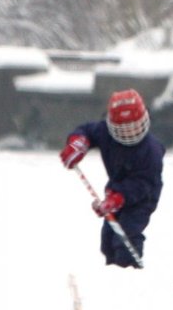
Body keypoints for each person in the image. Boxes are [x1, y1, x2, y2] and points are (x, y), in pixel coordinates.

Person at [59, 89, 165, 268]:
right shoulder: (105, 132)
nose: (130, 134)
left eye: (134, 127)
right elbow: (86, 131)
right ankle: (111, 272)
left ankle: (131, 270)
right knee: (107, 239)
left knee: (126, 236)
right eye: (124, 130)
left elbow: (144, 183)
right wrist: (78, 143)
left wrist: (119, 197)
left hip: (143, 198)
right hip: (116, 187)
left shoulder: (151, 150)